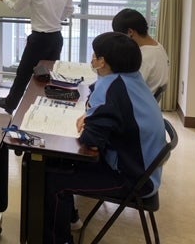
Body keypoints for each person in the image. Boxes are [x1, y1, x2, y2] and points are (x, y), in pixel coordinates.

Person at [44, 32, 166, 244]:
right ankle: (70, 219)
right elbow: (103, 111)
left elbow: (91, 141)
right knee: (58, 162)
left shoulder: (111, 88)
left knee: (53, 180)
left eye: (95, 55)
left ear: (102, 62)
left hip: (132, 179)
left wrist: (89, 121)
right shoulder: (131, 78)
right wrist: (91, 116)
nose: (92, 59)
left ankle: (60, 240)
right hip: (144, 170)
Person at [0, 0, 74, 114]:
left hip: (39, 39)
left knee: (24, 72)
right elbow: (70, 9)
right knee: (48, 74)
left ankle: (10, 104)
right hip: (56, 37)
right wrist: (56, 18)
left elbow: (16, 8)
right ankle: (44, 106)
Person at [112, 8, 170, 95]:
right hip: (148, 98)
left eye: (121, 37)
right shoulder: (157, 46)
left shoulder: (144, 58)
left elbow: (129, 89)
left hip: (138, 101)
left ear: (130, 32)